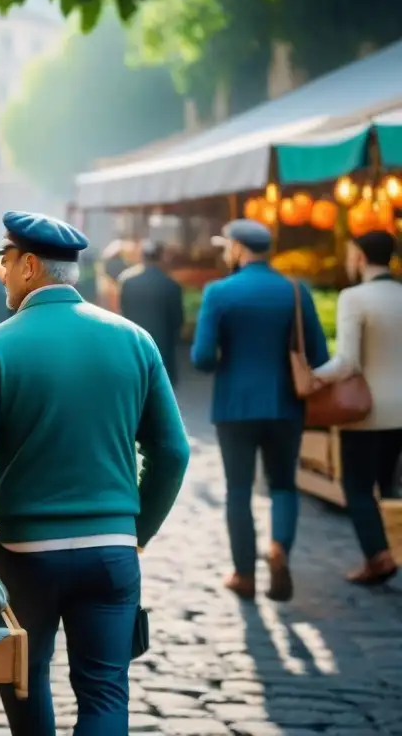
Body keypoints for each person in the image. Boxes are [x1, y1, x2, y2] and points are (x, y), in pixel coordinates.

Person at [0, 211, 189, 736]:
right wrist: (136, 532)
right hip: (112, 553)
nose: (3, 273)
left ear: (30, 266)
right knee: (105, 693)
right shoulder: (135, 341)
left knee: (25, 679)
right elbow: (173, 452)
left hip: (26, 555)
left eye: (7, 262)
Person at [192, 219, 329, 602]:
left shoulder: (219, 292)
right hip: (286, 404)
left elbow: (202, 357)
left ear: (236, 248)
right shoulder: (295, 290)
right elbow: (318, 354)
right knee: (284, 484)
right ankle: (279, 549)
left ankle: (244, 574)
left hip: (234, 406)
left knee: (238, 489)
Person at [312, 230, 402, 585]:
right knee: (391, 487)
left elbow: (347, 363)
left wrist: (310, 379)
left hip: (366, 412)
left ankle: (378, 558)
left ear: (361, 257)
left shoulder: (354, 297)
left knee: (359, 486)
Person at [118, 241, 185, 387]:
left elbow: (123, 315)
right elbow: (178, 320)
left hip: (135, 348)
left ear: (142, 258)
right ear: (162, 258)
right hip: (163, 350)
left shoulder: (129, 283)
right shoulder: (172, 285)